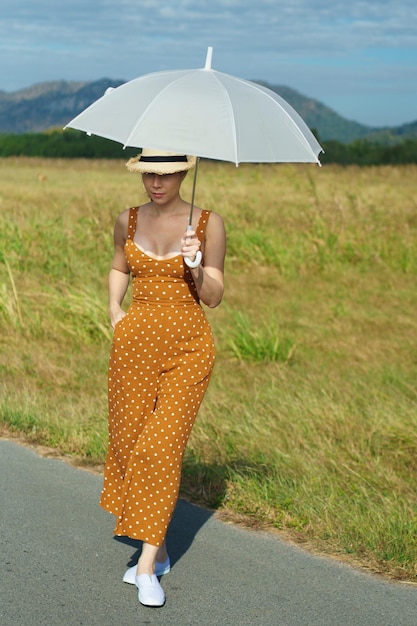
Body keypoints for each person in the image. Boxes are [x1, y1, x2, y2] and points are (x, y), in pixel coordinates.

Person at [99, 148, 226, 608]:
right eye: (150, 173)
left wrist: (194, 264)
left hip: (188, 348)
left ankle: (148, 567)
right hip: (134, 346)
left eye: (168, 174)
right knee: (131, 443)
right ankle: (164, 546)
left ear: (184, 174)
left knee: (160, 448)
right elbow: (119, 266)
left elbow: (213, 296)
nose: (157, 182)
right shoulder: (127, 220)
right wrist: (115, 309)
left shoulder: (209, 224)